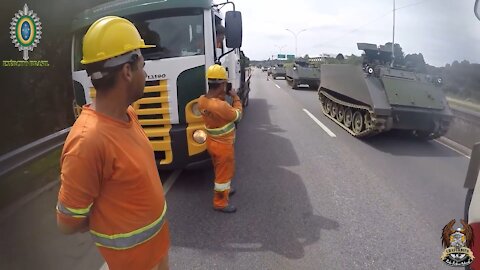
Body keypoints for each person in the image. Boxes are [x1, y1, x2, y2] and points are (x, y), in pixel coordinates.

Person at [56, 16, 170, 270]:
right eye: (142, 63)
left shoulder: (127, 114)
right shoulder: (88, 141)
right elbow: (67, 222)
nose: (146, 72)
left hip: (155, 253)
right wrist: (106, 217)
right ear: (127, 71)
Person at [198, 64, 242, 213]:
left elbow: (217, 108)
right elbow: (238, 115)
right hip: (223, 146)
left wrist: (222, 94)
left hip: (212, 143)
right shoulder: (221, 107)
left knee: (219, 169)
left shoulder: (202, 100)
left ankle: (226, 189)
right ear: (223, 84)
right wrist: (235, 97)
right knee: (223, 174)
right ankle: (220, 202)